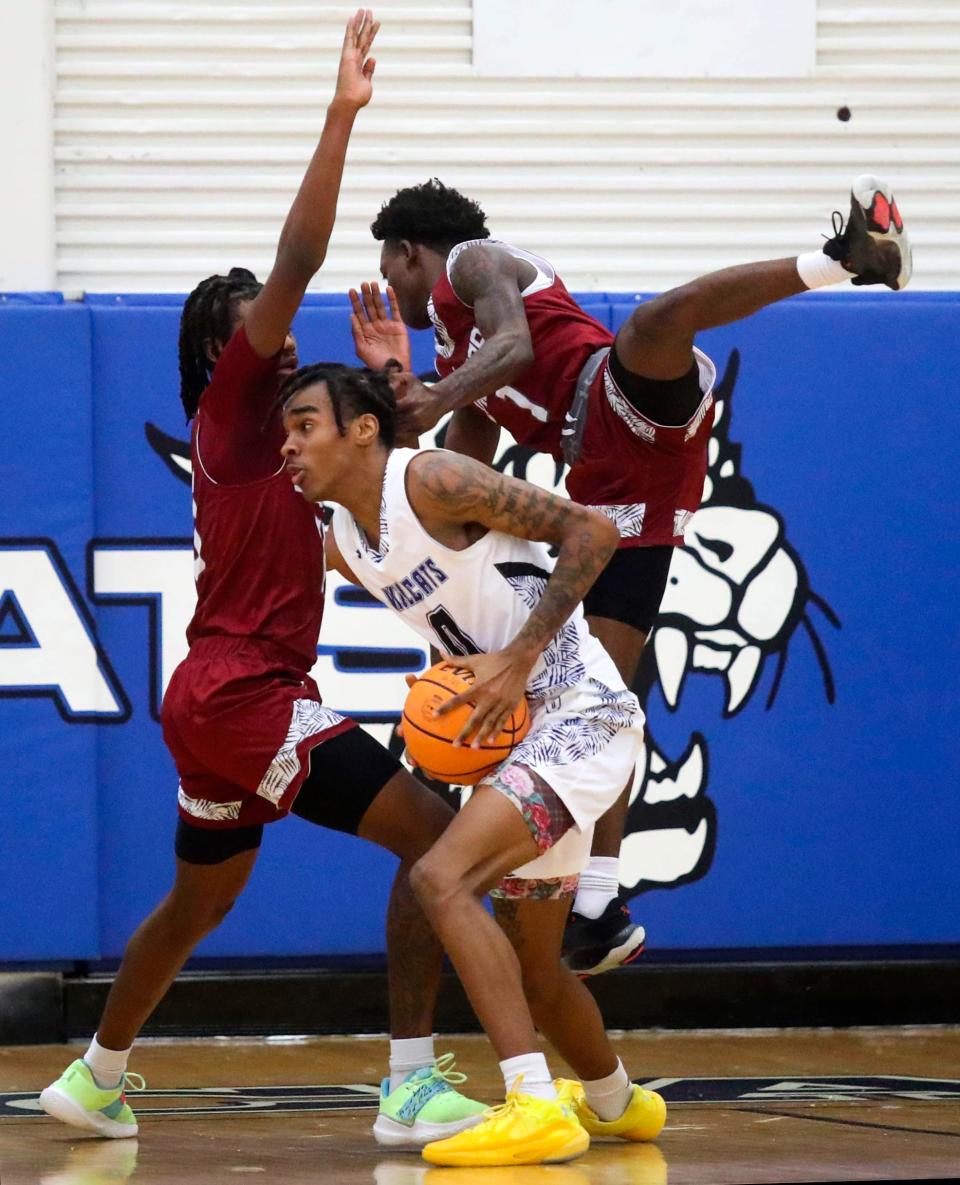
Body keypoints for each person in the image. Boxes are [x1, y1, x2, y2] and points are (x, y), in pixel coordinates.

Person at [38, 12, 489, 1151]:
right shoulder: (235, 404)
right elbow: (295, 260)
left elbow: (406, 504)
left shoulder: (292, 440)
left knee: (202, 900)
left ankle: (96, 1076)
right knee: (439, 841)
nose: (286, 342)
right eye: (265, 333)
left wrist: (394, 388)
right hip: (246, 693)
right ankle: (408, 1083)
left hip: (217, 695)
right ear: (223, 351)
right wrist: (341, 116)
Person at [348, 173, 912, 972]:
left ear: (412, 251)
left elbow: (515, 346)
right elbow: (458, 488)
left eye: (389, 264)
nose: (389, 284)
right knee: (601, 698)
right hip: (614, 487)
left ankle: (842, 259)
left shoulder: (475, 264)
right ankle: (600, 907)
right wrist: (409, 420)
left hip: (617, 399)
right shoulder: (449, 362)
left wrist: (435, 391)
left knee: (655, 321)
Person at [280, 362, 667, 1168]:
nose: (290, 443)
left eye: (304, 423)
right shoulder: (347, 539)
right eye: (285, 429)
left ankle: (531, 1101)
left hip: (581, 714)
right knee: (536, 971)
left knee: (440, 875)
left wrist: (519, 658)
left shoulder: (435, 478)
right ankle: (619, 1102)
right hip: (523, 739)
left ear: (361, 429)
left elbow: (596, 531)